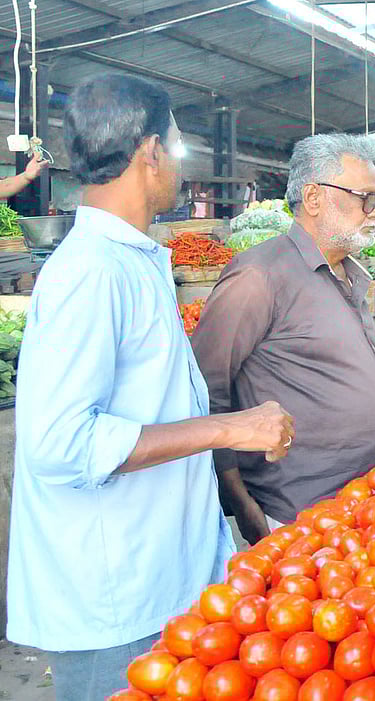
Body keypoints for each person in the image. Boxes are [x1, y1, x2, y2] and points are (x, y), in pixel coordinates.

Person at [7, 73, 294, 701]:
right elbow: (58, 444)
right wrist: (230, 428)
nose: (178, 163)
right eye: (178, 146)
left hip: (158, 574)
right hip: (114, 596)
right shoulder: (91, 273)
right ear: (150, 153)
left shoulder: (132, 261)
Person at [191, 133, 375, 537]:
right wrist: (241, 501)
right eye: (366, 198)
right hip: (299, 515)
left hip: (369, 503)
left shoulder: (353, 274)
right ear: (314, 198)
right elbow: (205, 391)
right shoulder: (259, 276)